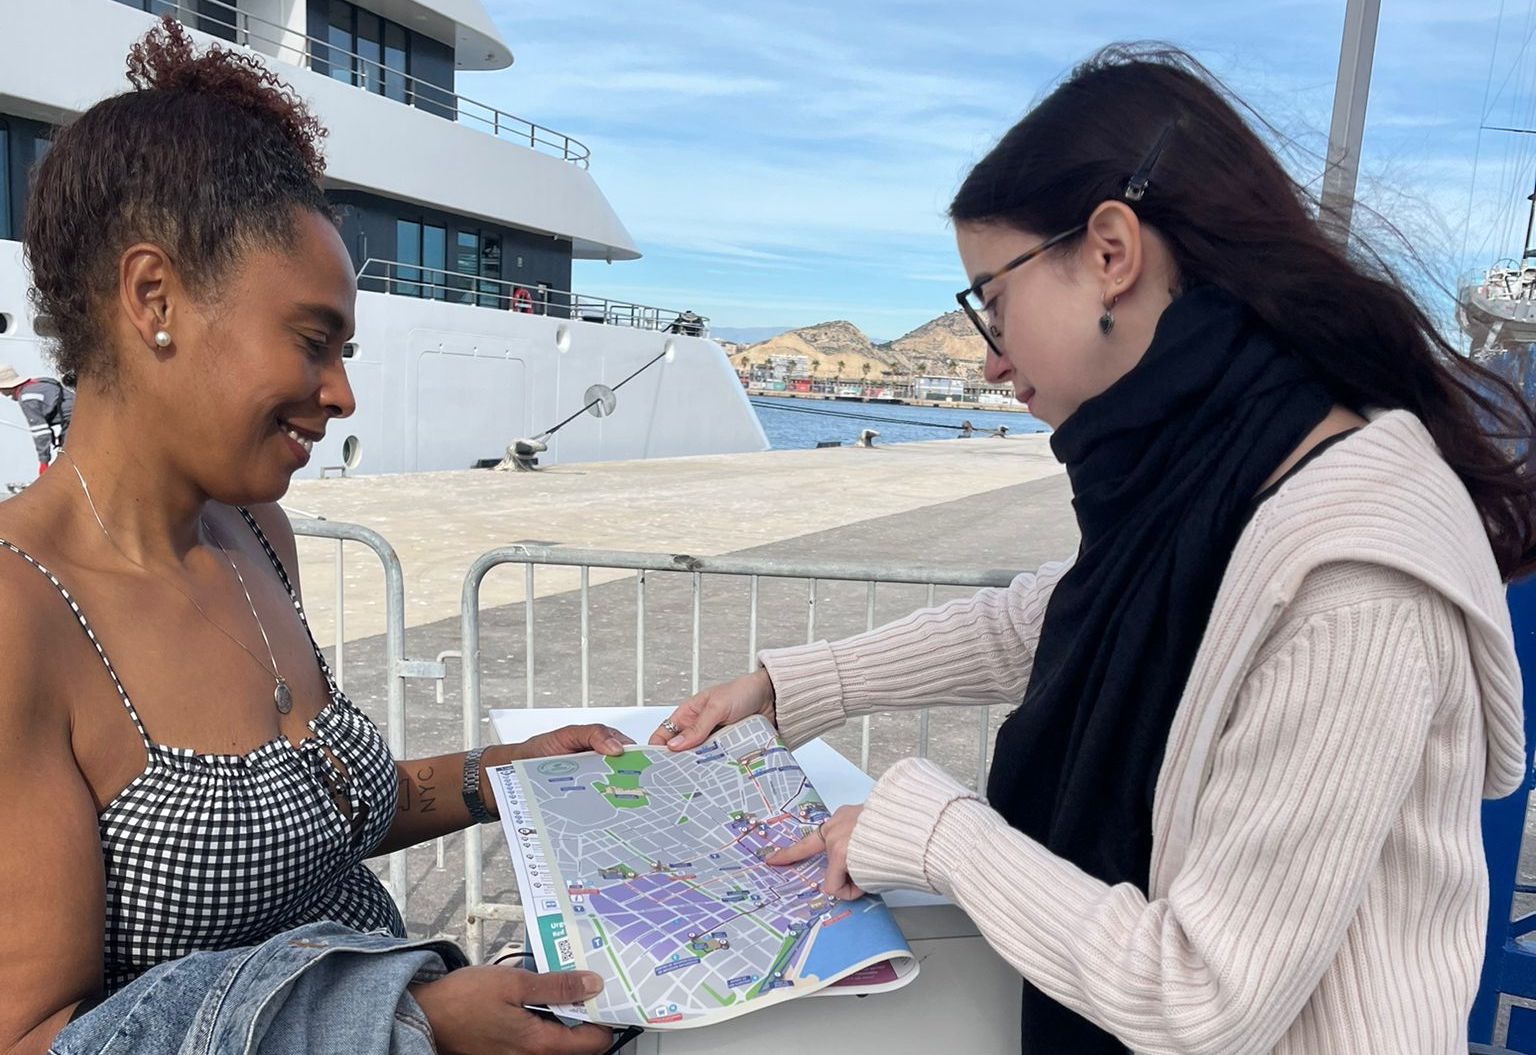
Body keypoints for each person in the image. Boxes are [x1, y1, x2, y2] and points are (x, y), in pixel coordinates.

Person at [654, 45, 1536, 1054]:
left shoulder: (1349, 570)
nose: (988, 355)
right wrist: (785, 683)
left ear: (1111, 251)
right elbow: (1039, 618)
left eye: (992, 299)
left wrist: (932, 828)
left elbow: (1205, 992)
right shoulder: (1220, 469)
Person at [1, 20, 618, 1055]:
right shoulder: (21, 614)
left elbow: (314, 819)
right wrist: (401, 1022)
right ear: (154, 297)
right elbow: (33, 1036)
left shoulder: (255, 535)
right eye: (312, 340)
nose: (340, 391)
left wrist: (506, 769)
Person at [0, 365, 74, 473]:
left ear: (7, 387)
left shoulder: (26, 398)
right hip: (80, 415)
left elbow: (41, 433)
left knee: (69, 463)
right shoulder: (39, 383)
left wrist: (43, 462)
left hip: (74, 422)